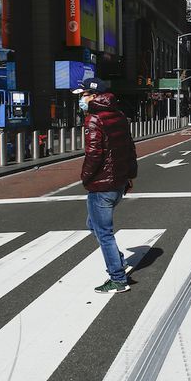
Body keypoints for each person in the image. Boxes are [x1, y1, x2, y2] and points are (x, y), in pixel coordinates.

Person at [75, 77, 138, 294]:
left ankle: (118, 279)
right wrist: (129, 176)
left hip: (102, 186)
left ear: (94, 95)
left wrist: (85, 178)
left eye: (83, 95)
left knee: (104, 233)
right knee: (93, 225)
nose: (81, 99)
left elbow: (93, 154)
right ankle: (118, 260)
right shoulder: (119, 115)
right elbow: (129, 148)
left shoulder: (94, 119)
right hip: (118, 183)